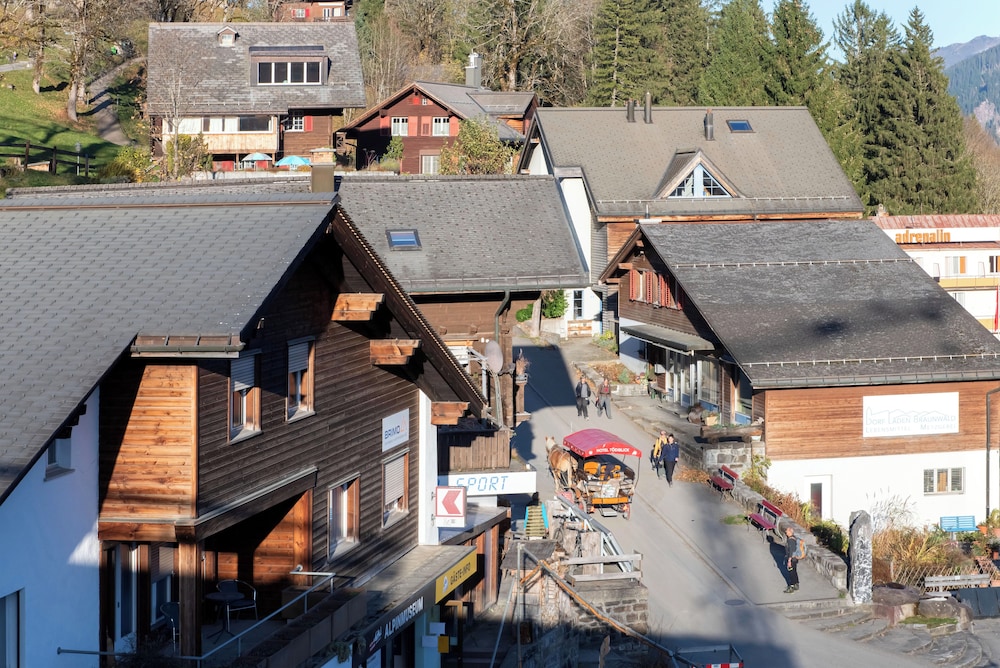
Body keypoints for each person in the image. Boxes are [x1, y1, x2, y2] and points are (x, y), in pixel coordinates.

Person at [784, 526, 804, 593]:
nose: (785, 532)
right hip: (795, 559)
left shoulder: (790, 540)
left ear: (790, 532)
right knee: (794, 571)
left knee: (791, 572)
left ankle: (791, 586)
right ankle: (796, 584)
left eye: (787, 531)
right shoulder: (794, 538)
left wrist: (789, 561)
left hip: (792, 559)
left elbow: (791, 551)